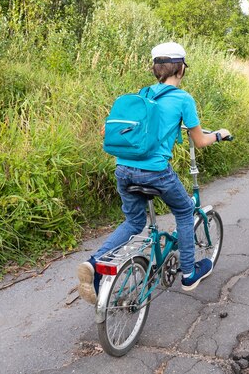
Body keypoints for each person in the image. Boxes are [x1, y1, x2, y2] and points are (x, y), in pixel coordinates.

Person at [77, 42, 231, 304]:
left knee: (133, 222)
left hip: (124, 169)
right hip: (155, 173)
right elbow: (201, 140)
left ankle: (94, 263)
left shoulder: (143, 94)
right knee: (184, 211)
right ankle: (190, 274)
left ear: (155, 69)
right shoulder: (183, 99)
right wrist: (220, 134)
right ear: (181, 69)